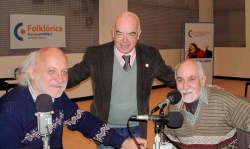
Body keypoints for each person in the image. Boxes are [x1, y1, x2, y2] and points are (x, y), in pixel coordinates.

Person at [67, 11, 176, 148]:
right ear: (113, 33)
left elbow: (173, 79)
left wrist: (197, 84)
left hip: (135, 127)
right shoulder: (96, 55)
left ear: (138, 34)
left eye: (131, 34)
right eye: (119, 33)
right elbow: (71, 77)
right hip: (106, 129)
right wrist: (46, 79)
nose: (125, 40)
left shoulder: (150, 55)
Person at [0, 47, 147, 149]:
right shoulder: (10, 113)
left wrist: (122, 142)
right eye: (51, 71)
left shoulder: (57, 97)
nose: (60, 79)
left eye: (64, 71)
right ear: (32, 72)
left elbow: (83, 121)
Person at [164, 59, 250, 148]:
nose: (185, 86)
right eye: (180, 80)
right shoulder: (173, 108)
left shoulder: (222, 100)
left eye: (191, 79)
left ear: (202, 80)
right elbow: (168, 143)